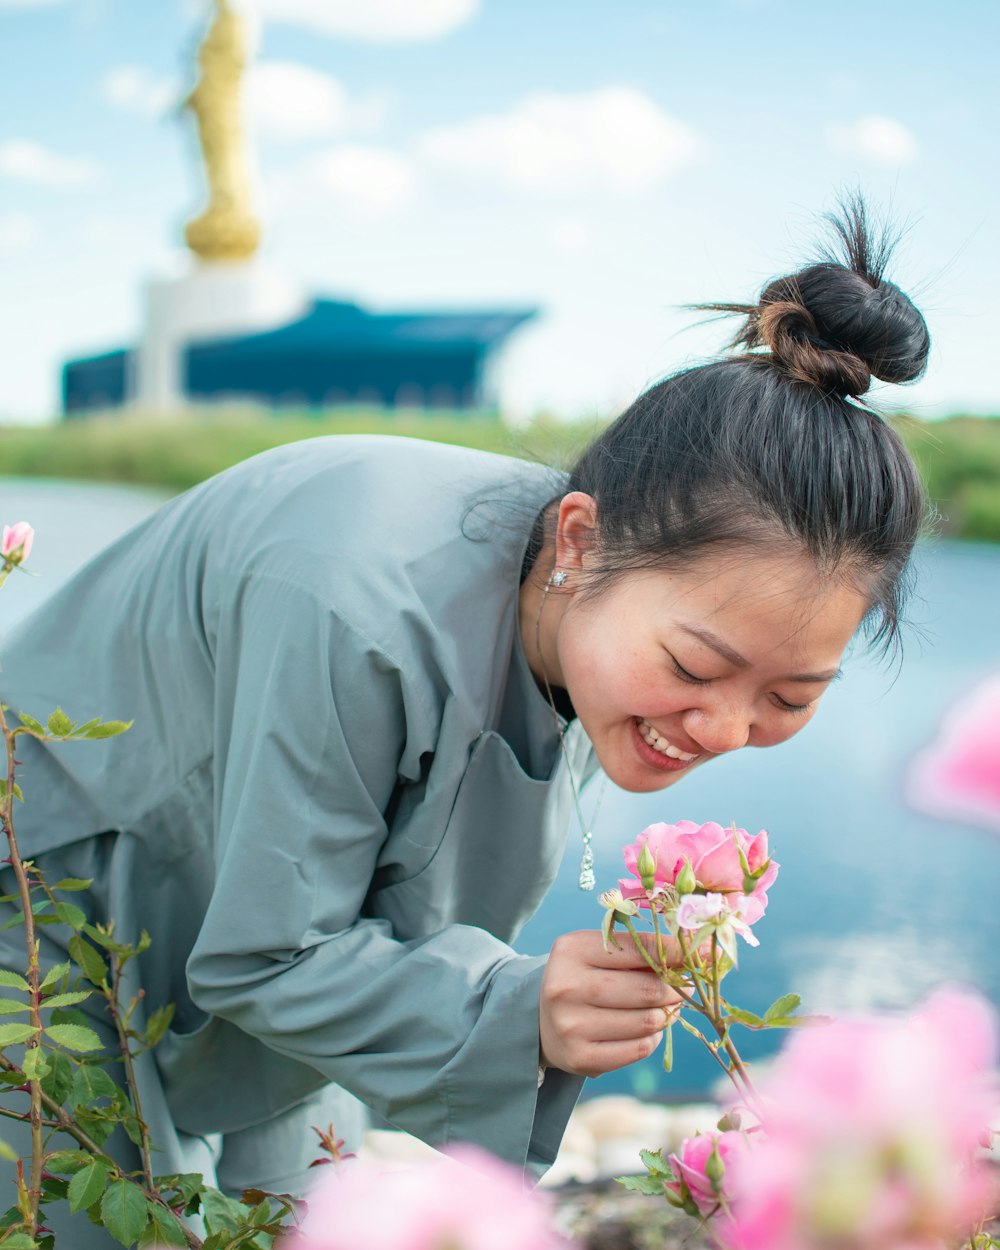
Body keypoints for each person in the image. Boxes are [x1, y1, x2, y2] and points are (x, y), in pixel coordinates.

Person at [0, 200, 930, 1242]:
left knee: (307, 1202)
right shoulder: (355, 606)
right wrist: (519, 1004)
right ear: (580, 537)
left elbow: (351, 920)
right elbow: (263, 956)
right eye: (694, 668)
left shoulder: (587, 607)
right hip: (57, 879)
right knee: (92, 1209)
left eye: (789, 698)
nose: (719, 726)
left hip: (266, 902)